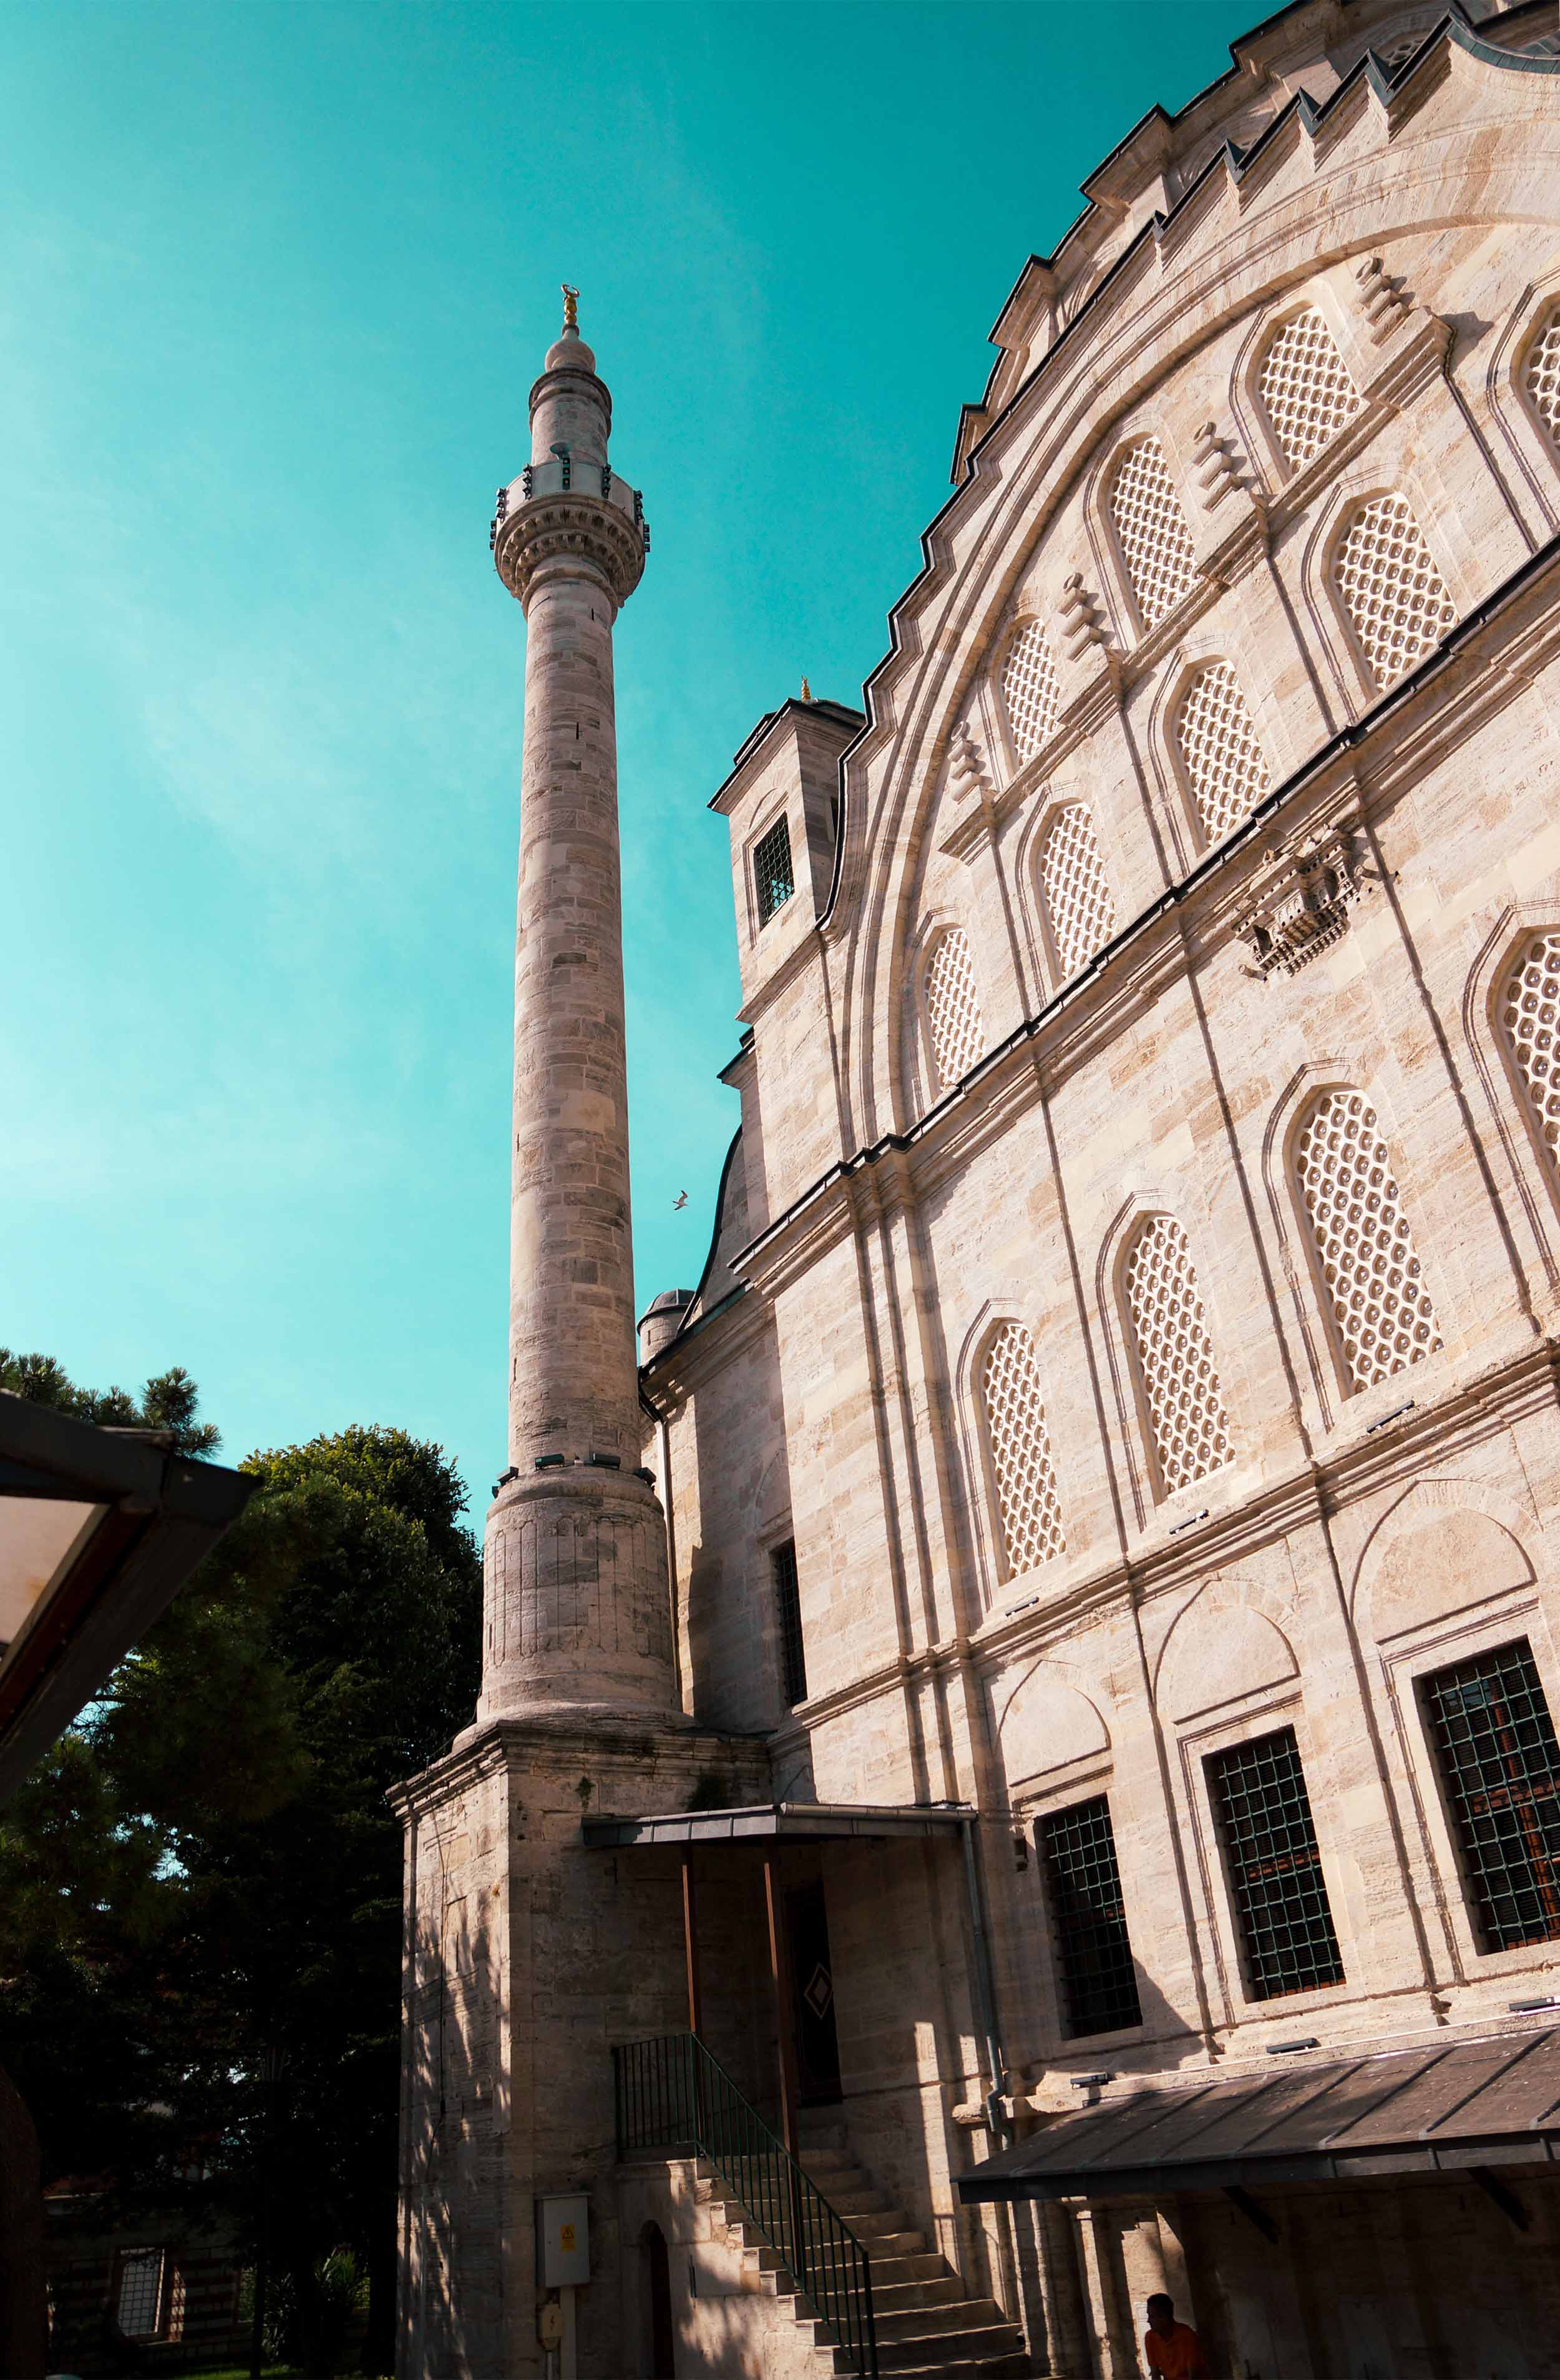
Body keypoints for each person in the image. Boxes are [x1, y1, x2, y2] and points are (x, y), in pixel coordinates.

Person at [1143, 2292, 1209, 2379]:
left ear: (1164, 2317)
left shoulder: (1187, 2336)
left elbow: (1193, 2376)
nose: (1148, 2321)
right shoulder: (1150, 2337)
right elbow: (1155, 2374)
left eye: (1152, 2316)